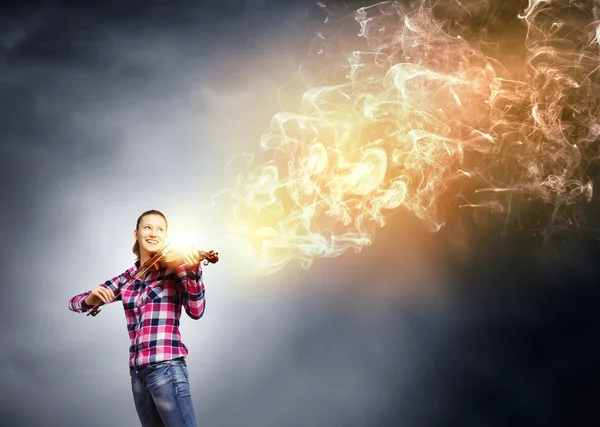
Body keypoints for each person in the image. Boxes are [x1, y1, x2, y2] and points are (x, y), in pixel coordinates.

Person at [68, 209, 206, 427]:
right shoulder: (127, 278)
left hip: (166, 368)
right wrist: (90, 300)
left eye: (160, 229)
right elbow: (74, 303)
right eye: (147, 227)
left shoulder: (176, 269)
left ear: (166, 236)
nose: (153, 233)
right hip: (138, 376)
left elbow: (196, 311)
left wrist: (193, 271)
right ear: (137, 233)